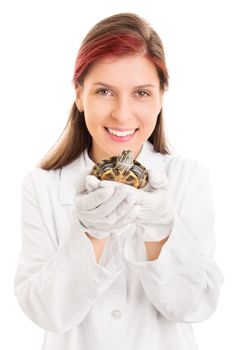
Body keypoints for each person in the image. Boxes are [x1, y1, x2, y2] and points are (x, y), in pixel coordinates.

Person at [14, 12, 223, 350]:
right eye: (104, 91)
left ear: (160, 97)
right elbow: (46, 313)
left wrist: (161, 229)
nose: (122, 114)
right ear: (79, 94)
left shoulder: (188, 179)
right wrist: (89, 232)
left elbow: (195, 306)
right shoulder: (41, 186)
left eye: (141, 93)